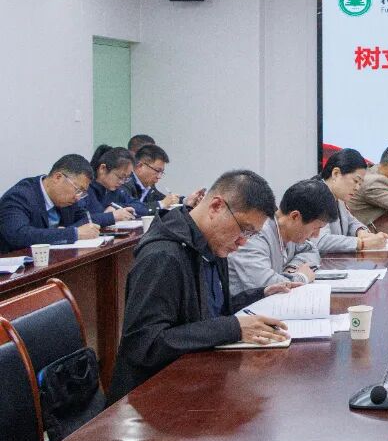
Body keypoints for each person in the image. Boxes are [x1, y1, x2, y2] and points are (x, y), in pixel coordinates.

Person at [108, 170, 295, 401]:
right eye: (244, 229)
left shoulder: (212, 245)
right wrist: (233, 328)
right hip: (150, 398)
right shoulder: (163, 256)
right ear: (216, 207)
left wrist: (260, 294)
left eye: (252, 234)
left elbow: (207, 311)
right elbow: (145, 345)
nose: (243, 242)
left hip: (192, 382)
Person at [228, 178, 338, 293]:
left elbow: (311, 250)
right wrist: (301, 277)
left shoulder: (290, 233)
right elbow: (266, 285)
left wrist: (292, 268)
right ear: (295, 216)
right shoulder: (255, 234)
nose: (316, 235)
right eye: (316, 228)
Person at [0, 154, 101, 252]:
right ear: (58, 177)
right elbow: (18, 235)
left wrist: (61, 233)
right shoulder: (19, 196)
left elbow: (86, 220)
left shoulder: (68, 200)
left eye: (82, 193)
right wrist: (72, 233)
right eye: (78, 190)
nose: (78, 197)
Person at [315, 149, 388, 253]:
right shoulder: (316, 196)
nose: (357, 188)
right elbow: (320, 241)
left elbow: (351, 222)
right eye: (355, 181)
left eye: (360, 184)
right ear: (336, 173)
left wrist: (361, 232)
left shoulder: (337, 196)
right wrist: (362, 243)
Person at [122, 143, 207, 211]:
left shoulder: (149, 187)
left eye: (161, 172)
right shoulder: (124, 182)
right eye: (157, 171)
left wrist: (186, 201)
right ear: (140, 166)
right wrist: (162, 204)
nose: (159, 177)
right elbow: (132, 207)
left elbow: (163, 199)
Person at [83, 145, 140, 225]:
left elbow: (140, 206)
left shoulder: (115, 190)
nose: (122, 182)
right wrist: (110, 216)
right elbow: (83, 221)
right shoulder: (85, 190)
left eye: (126, 178)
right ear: (103, 169)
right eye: (120, 177)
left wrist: (117, 207)